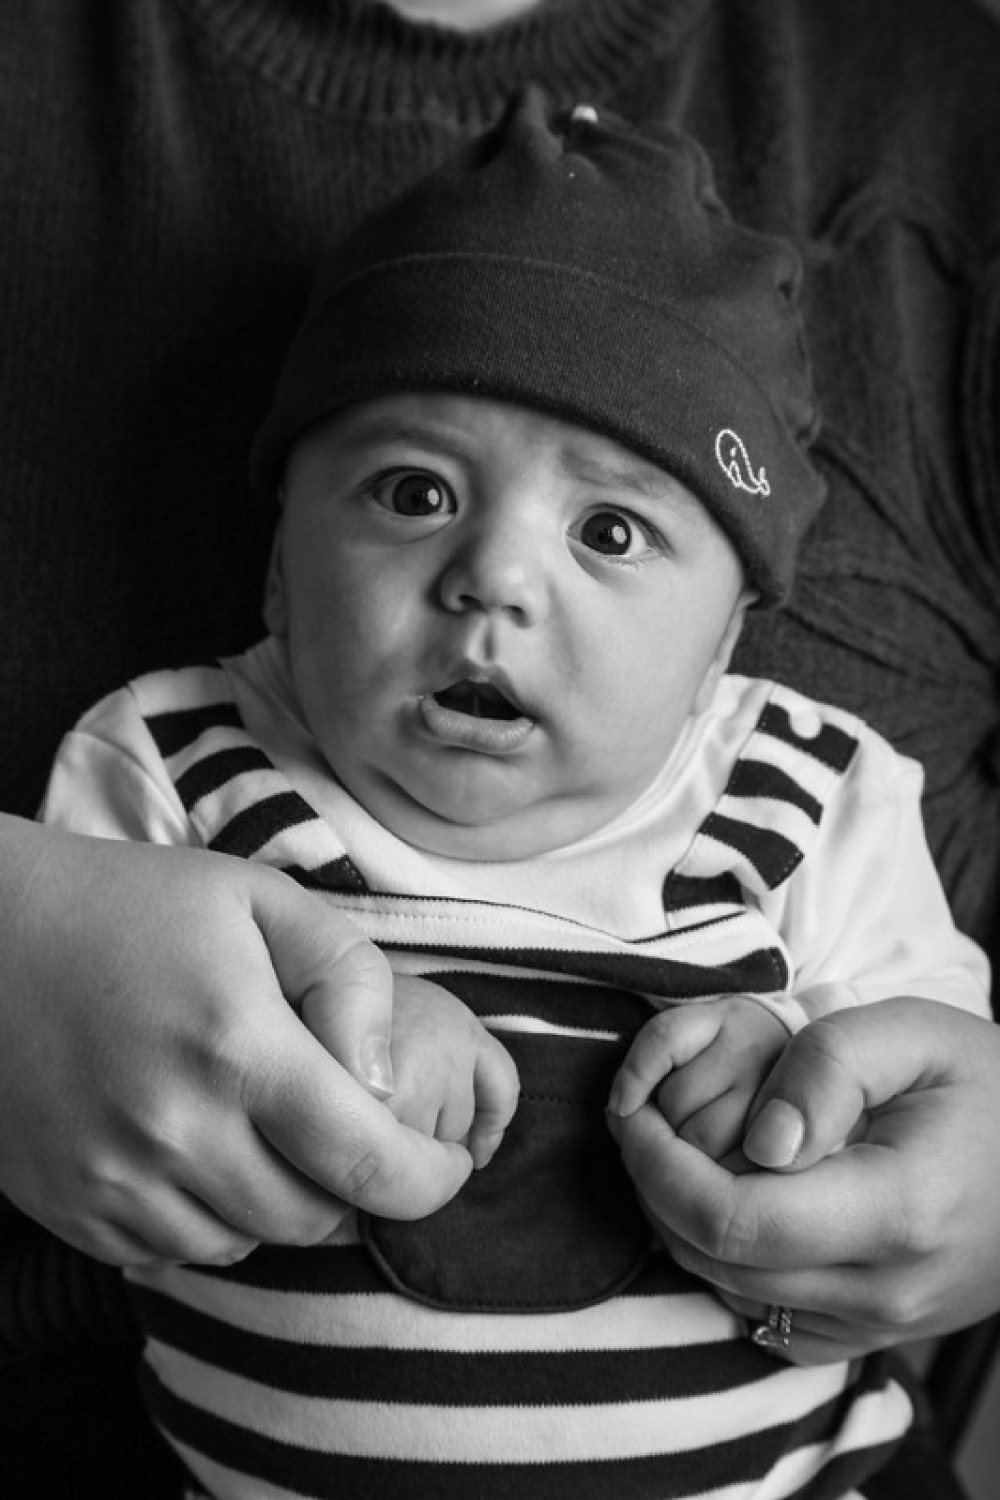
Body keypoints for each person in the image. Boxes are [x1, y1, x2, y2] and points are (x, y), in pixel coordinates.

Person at [1, 1, 999, 1494]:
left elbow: (932, 1086)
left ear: (725, 643)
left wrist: (805, 1096)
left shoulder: (805, 792)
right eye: (414, 493)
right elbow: (85, 1070)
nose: (494, 579)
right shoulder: (176, 763)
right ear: (278, 572)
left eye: (611, 532)